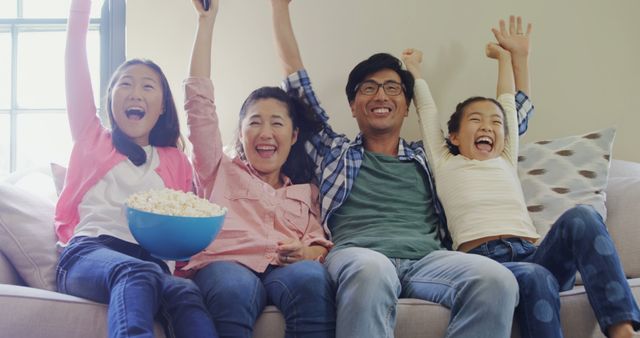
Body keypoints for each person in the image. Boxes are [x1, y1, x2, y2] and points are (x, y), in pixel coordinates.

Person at [271, 2, 536, 338]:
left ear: (407, 106)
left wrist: (519, 60)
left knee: (496, 279)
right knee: (372, 269)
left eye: (392, 88)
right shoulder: (333, 151)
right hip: (359, 255)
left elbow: (508, 126)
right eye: (368, 88)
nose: (381, 95)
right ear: (353, 106)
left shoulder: (432, 156)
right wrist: (278, 8)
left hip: (428, 260)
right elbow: (297, 84)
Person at [411, 16, 640, 338]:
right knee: (536, 278)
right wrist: (416, 72)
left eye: (495, 123)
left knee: (583, 216)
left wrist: (510, 59)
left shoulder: (505, 157)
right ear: (454, 137)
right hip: (487, 263)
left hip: (535, 252)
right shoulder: (445, 161)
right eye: (476, 120)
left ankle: (621, 328)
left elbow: (507, 100)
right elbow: (427, 112)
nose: (488, 127)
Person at [54, 0, 218, 337]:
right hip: (90, 253)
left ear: (161, 107)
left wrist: (205, 22)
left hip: (153, 263)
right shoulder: (92, 138)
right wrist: (81, 7)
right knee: (134, 273)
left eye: (148, 86)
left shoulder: (174, 160)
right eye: (125, 84)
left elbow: (185, 229)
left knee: (186, 293)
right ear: (110, 100)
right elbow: (73, 59)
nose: (135, 93)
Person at [178, 1, 336, 337]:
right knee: (231, 287)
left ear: (293, 136)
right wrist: (205, 23)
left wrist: (307, 251)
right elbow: (198, 106)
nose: (265, 133)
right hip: (227, 264)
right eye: (255, 123)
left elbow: (318, 242)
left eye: (277, 123)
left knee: (312, 279)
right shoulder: (217, 169)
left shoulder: (304, 191)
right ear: (241, 133)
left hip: (286, 267)